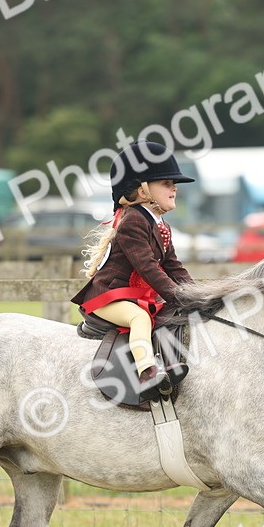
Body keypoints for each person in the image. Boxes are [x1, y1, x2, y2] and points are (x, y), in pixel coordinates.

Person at [72, 140, 196, 400]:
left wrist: (196, 293)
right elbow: (149, 268)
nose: (174, 188)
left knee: (170, 312)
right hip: (109, 296)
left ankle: (173, 365)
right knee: (140, 319)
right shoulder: (132, 221)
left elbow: (173, 265)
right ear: (142, 189)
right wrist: (177, 294)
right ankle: (147, 372)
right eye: (166, 183)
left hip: (133, 296)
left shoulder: (160, 225)